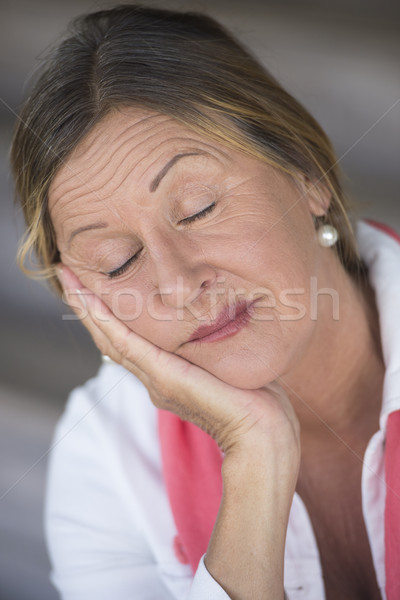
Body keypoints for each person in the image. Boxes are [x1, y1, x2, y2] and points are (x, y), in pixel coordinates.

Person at [10, 4, 400, 600]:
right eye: (118, 260)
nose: (178, 284)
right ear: (85, 297)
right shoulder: (106, 461)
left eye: (199, 209)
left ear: (307, 172)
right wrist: (254, 456)